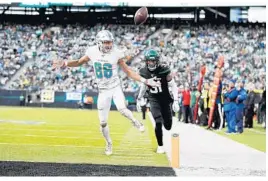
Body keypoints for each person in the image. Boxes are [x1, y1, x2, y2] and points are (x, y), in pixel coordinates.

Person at [52, 30, 160, 156]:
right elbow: (79, 62)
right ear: (99, 42)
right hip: (103, 91)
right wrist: (65, 63)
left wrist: (146, 81)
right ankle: (109, 144)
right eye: (106, 42)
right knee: (103, 123)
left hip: (115, 87)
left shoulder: (116, 53)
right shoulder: (92, 51)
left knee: (121, 108)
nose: (109, 45)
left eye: (110, 42)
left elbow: (129, 72)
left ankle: (135, 121)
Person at [136, 49, 179, 154]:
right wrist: (139, 98)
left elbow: (173, 85)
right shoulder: (144, 71)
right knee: (158, 122)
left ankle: (165, 119)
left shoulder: (164, 70)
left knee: (168, 126)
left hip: (165, 99)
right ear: (146, 61)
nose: (151, 63)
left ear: (157, 61)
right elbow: (143, 86)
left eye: (153, 61)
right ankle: (160, 146)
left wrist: (176, 101)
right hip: (153, 99)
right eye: (149, 61)